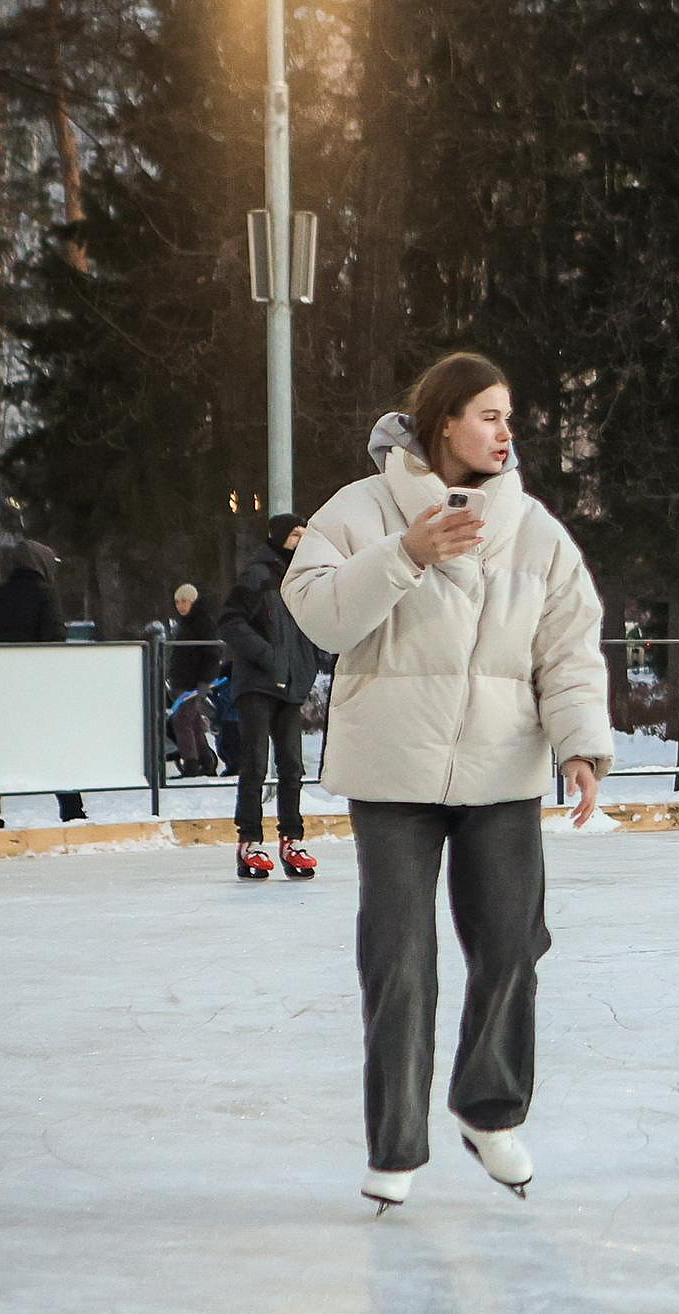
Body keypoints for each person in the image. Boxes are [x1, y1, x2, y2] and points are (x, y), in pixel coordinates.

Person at [282, 351, 614, 1214]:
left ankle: (488, 1106)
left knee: (511, 943)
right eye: (490, 415)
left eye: (509, 416)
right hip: (394, 771)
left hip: (500, 767)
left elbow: (569, 647)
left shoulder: (533, 530)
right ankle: (395, 1144)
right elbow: (316, 613)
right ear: (444, 423)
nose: (507, 432)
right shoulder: (359, 512)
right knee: (400, 958)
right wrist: (404, 553)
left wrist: (579, 743)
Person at [220, 514, 324, 878]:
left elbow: (312, 626)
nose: (301, 540)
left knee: (293, 766)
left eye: (304, 534)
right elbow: (229, 620)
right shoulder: (257, 574)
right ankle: (249, 841)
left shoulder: (302, 578)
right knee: (255, 765)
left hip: (291, 685)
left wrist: (311, 661)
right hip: (258, 685)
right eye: (295, 534)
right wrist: (266, 655)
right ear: (280, 536)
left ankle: (291, 839)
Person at [0, 538, 87, 828]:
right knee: (55, 746)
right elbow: (53, 639)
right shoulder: (45, 596)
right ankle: (71, 809)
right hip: (37, 690)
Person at [166, 583, 221, 777]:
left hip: (193, 683)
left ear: (193, 601)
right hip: (181, 681)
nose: (180, 606)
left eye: (184, 601)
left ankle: (191, 763)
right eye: (177, 602)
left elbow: (212, 654)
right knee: (194, 723)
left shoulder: (203, 623)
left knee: (182, 722)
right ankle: (206, 762)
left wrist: (204, 681)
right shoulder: (184, 624)